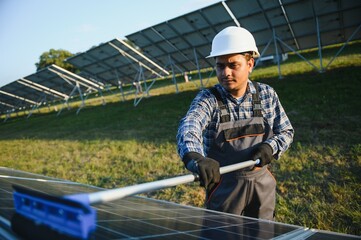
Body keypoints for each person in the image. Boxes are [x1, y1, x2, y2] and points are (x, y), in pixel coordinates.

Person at [176, 26, 294, 220]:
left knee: (262, 232)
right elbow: (189, 126)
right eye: (220, 66)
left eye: (233, 65)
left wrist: (270, 147)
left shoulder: (266, 95)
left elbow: (286, 132)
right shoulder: (209, 99)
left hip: (261, 185)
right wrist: (196, 158)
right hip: (224, 188)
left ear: (250, 64)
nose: (226, 72)